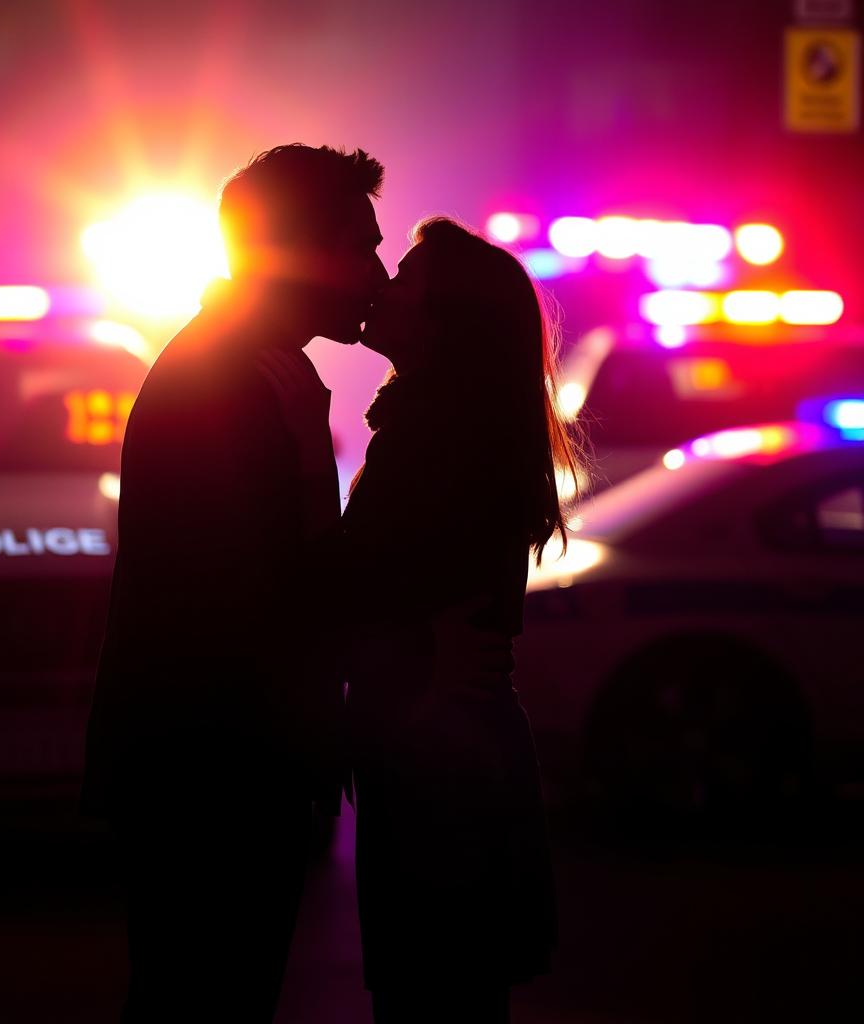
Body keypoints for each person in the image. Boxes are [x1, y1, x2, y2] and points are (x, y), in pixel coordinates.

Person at [81, 143, 387, 1021]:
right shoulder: (227, 381)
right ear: (299, 250)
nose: (375, 271)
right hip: (212, 773)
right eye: (359, 245)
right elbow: (250, 596)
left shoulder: (254, 367)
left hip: (216, 761)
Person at [345, 217, 573, 1022]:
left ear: (446, 323)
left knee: (432, 994)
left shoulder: (441, 441)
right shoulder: (441, 429)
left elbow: (383, 586)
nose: (382, 283)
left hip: (441, 758)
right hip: (448, 748)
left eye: (406, 277)